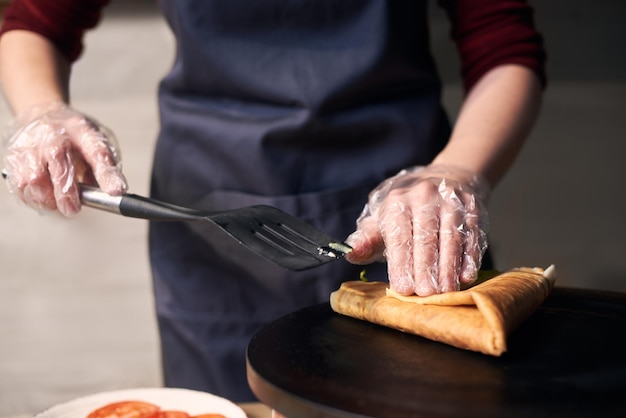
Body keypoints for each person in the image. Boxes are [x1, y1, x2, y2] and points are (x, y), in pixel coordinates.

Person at [0, 0, 546, 402]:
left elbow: (504, 44)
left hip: (409, 216)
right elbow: (33, 19)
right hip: (211, 225)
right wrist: (41, 111)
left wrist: (455, 171)